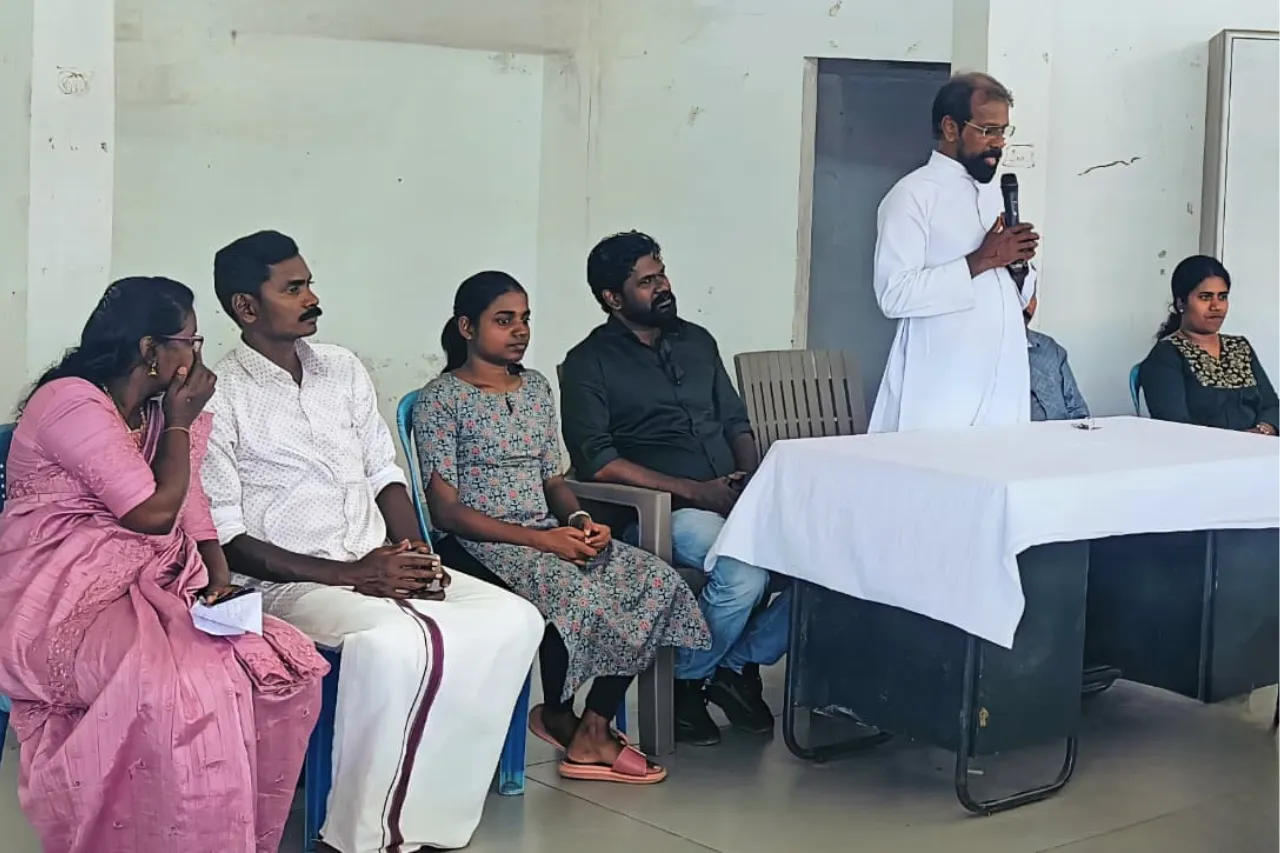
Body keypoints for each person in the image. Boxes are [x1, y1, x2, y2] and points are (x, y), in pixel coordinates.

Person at [200, 231, 544, 853]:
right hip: (290, 584)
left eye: (309, 283)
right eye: (293, 288)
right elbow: (228, 539)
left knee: (516, 619)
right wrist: (354, 575)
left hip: (377, 563)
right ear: (246, 307)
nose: (312, 298)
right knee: (393, 644)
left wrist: (417, 556)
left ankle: (431, 813)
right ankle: (357, 832)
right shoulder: (218, 393)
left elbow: (385, 474)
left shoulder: (342, 368)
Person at [0, 277, 325, 853]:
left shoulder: (159, 412)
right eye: (190, 342)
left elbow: (190, 504)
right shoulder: (71, 401)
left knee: (278, 665)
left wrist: (219, 584)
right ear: (151, 349)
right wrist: (179, 419)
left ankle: (220, 836)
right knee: (188, 687)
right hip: (59, 600)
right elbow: (151, 514)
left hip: (152, 584)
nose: (197, 357)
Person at [414, 271, 710, 785]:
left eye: (524, 319)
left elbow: (554, 480)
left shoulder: (534, 388)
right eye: (503, 320)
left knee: (655, 581)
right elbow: (446, 513)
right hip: (479, 542)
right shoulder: (441, 399)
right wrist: (542, 540)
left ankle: (592, 726)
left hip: (549, 533)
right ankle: (557, 712)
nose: (519, 331)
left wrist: (579, 521)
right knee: (580, 594)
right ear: (466, 327)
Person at [560, 231, 790, 747]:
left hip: (732, 498)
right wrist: (695, 491)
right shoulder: (588, 362)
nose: (662, 286)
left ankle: (734, 666)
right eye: (646, 282)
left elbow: (736, 423)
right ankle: (687, 683)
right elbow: (598, 462)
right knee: (745, 574)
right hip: (663, 514)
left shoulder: (698, 341)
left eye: (661, 275)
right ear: (612, 298)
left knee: (827, 565)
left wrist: (748, 479)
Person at [870, 72, 1041, 432]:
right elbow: (893, 295)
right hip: (941, 382)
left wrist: (1018, 267)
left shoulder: (993, 195)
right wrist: (983, 260)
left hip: (1002, 375)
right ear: (951, 128)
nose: (999, 143)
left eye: (1003, 131)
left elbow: (1015, 297)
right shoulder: (912, 196)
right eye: (987, 130)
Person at [1138, 255, 1277, 435]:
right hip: (1202, 450)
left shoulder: (1240, 347)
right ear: (1181, 303)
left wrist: (1261, 431)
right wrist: (1236, 442)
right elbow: (1175, 426)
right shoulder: (1166, 355)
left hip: (1258, 446)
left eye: (1222, 297)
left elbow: (1273, 407)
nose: (1216, 306)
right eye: (1205, 297)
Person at [1024, 295, 1090, 421]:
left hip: (1063, 432)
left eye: (1031, 296)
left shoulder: (1050, 349)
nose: (1026, 304)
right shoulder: (988, 357)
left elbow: (1078, 410)